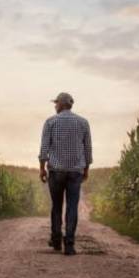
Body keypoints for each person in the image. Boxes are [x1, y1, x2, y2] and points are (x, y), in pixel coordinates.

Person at [38, 92, 92, 255]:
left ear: (61, 104)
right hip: (75, 171)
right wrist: (86, 169)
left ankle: (56, 240)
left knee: (56, 206)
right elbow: (87, 149)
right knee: (72, 206)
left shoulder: (50, 122)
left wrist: (42, 168)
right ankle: (69, 244)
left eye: (56, 103)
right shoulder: (83, 122)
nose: (55, 106)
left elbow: (44, 148)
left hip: (56, 170)